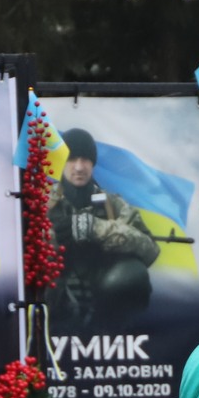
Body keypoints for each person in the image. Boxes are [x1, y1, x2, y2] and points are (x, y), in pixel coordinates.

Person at [47, 127, 159, 330]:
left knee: (134, 273)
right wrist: (55, 237)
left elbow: (150, 249)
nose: (79, 167)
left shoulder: (111, 204)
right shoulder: (44, 204)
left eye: (85, 159)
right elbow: (24, 254)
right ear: (62, 161)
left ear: (93, 163)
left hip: (105, 314)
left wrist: (96, 228)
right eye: (72, 159)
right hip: (55, 313)